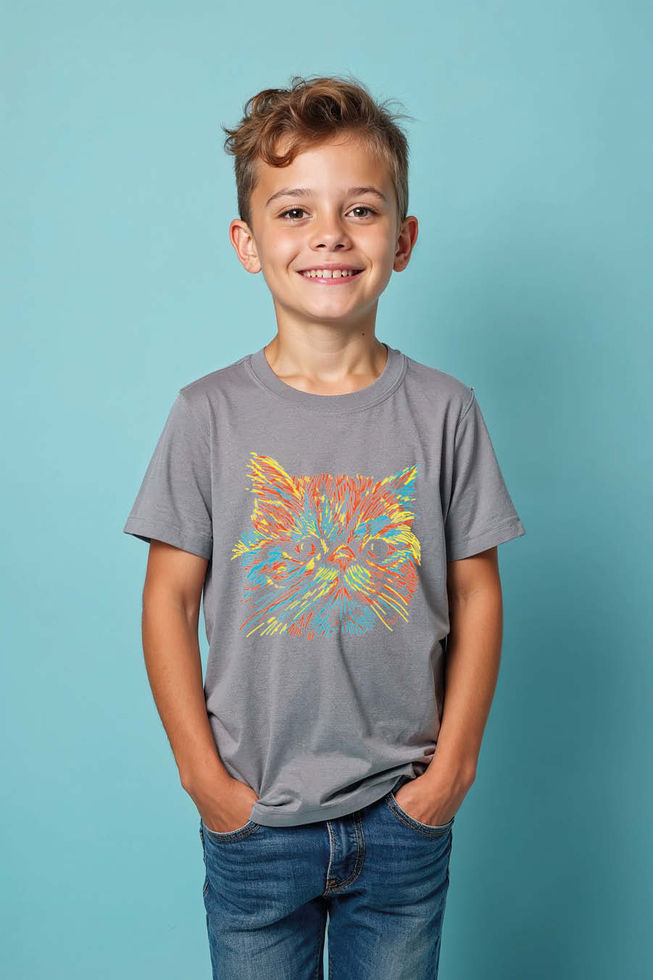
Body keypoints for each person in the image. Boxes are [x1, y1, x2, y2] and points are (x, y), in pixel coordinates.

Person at [123, 73, 526, 979]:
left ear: (402, 239)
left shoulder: (444, 411)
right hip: (257, 818)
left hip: (402, 814)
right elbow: (167, 600)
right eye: (295, 211)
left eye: (361, 210)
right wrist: (203, 779)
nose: (330, 235)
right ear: (248, 242)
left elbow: (476, 593)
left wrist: (452, 772)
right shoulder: (208, 414)